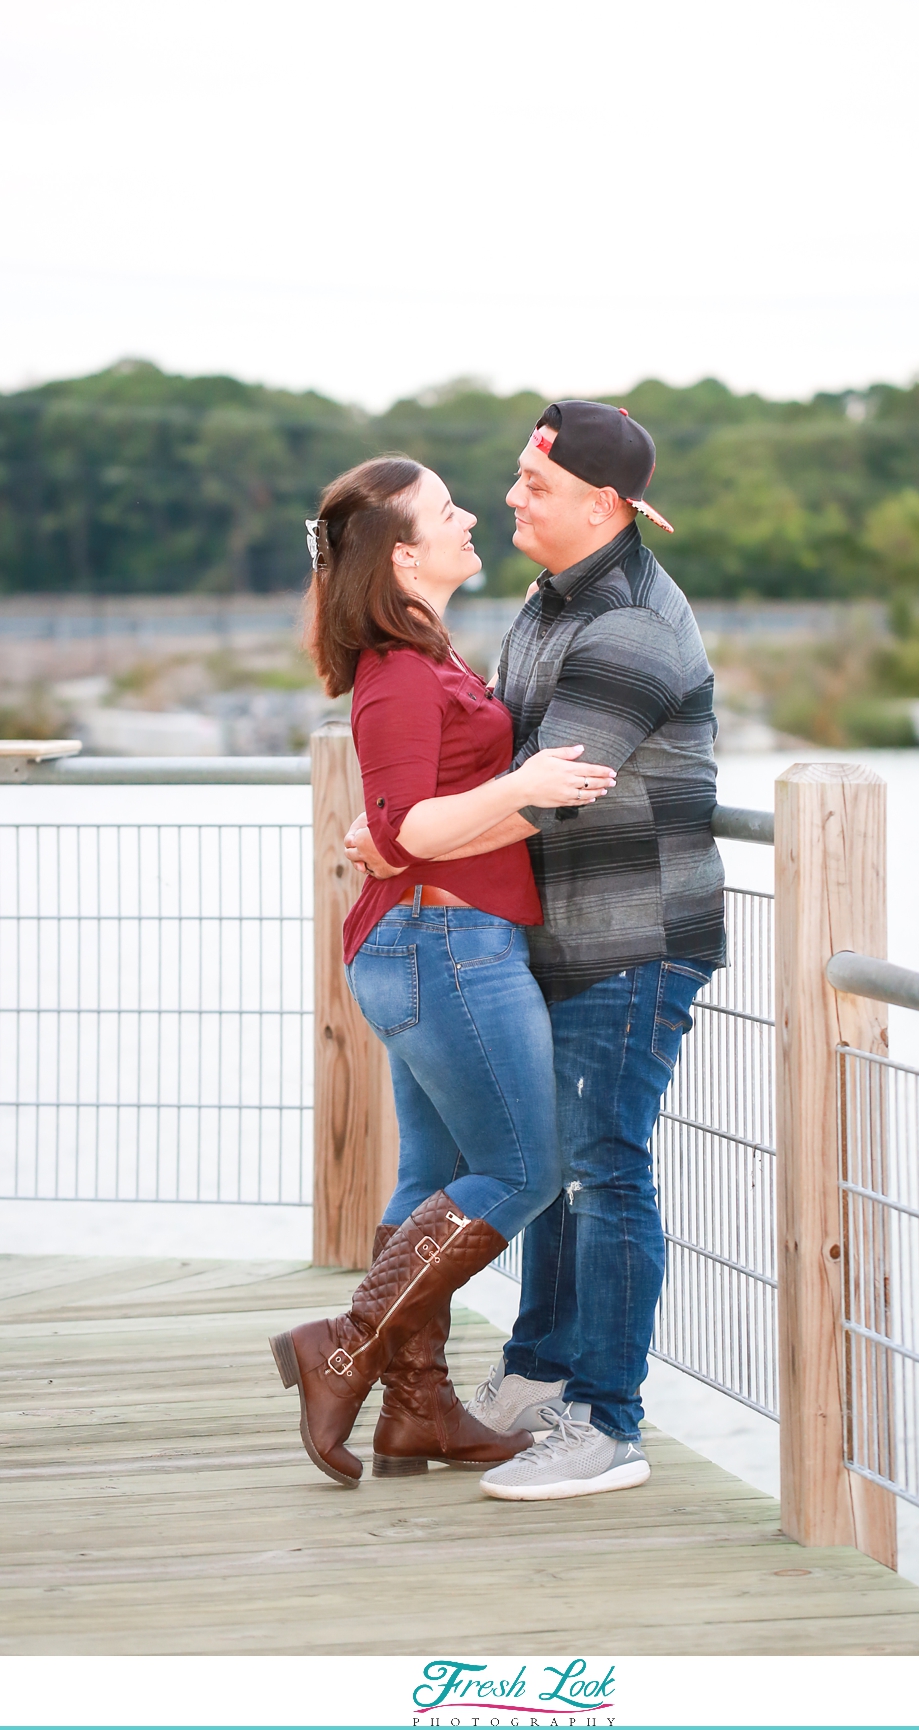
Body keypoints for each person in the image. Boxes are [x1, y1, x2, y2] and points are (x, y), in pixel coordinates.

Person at [348, 401, 726, 1501]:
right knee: (550, 1167)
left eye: (536, 483)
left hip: (632, 939)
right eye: (516, 475)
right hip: (549, 937)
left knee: (603, 1168)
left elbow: (540, 803)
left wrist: (390, 841)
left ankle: (608, 1421)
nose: (513, 496)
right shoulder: (544, 603)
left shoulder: (635, 627)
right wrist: (406, 832)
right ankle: (537, 1367)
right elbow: (496, 772)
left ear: (603, 504)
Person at [268, 454, 617, 1490]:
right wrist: (525, 781)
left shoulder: (426, 656)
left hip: (434, 943)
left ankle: (417, 1409)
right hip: (446, 951)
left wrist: (518, 799)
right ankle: (343, 1345)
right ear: (405, 552)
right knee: (523, 1168)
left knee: (431, 1181)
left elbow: (412, 822)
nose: (472, 515)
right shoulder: (402, 674)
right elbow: (416, 821)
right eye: (446, 509)